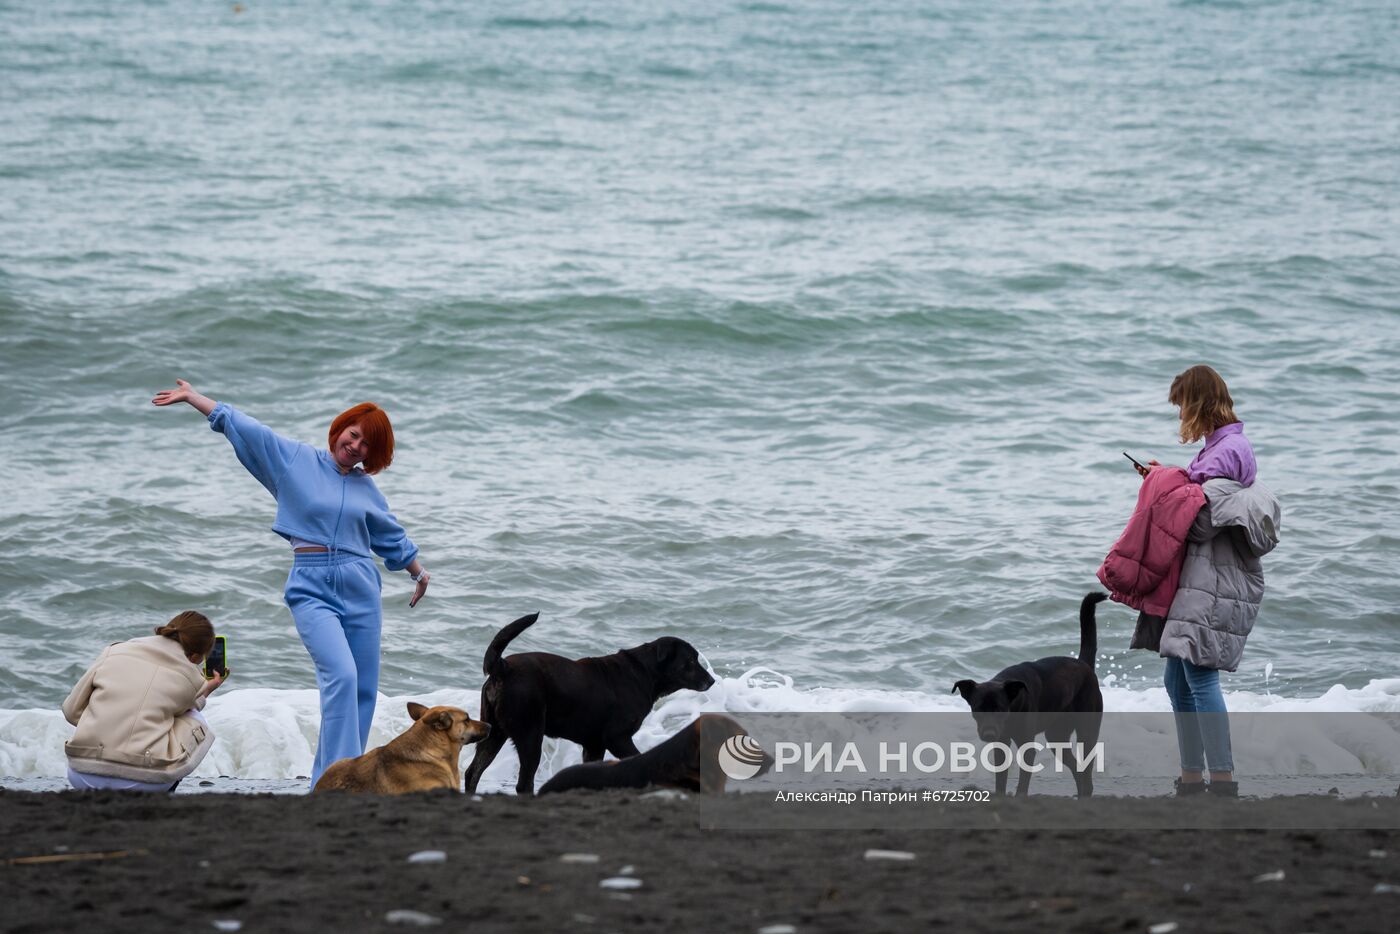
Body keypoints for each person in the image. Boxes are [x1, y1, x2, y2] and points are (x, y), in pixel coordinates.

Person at [152, 379, 431, 787]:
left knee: (363, 689)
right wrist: (199, 400)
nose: (355, 446)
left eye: (366, 445)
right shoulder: (295, 460)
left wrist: (418, 572)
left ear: (374, 454)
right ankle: (335, 784)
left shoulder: (366, 489)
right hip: (312, 587)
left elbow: (391, 537)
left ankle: (342, 779)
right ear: (340, 429)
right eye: (353, 435)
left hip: (361, 588)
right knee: (342, 676)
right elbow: (250, 431)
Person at [1134, 365, 1281, 798]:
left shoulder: (1227, 451)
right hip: (1202, 577)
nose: (1179, 415)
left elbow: (1200, 521)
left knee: (1199, 679)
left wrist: (1163, 484)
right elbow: (1198, 495)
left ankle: (1221, 780)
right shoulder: (1220, 447)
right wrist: (1167, 477)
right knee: (1177, 682)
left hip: (1213, 580)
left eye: (1181, 405)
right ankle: (1193, 777)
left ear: (1197, 404)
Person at [63, 611, 224, 792]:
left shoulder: (113, 652)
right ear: (195, 656)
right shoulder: (191, 676)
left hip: (82, 774)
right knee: (193, 716)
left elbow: (71, 711)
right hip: (144, 782)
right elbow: (185, 709)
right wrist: (207, 689)